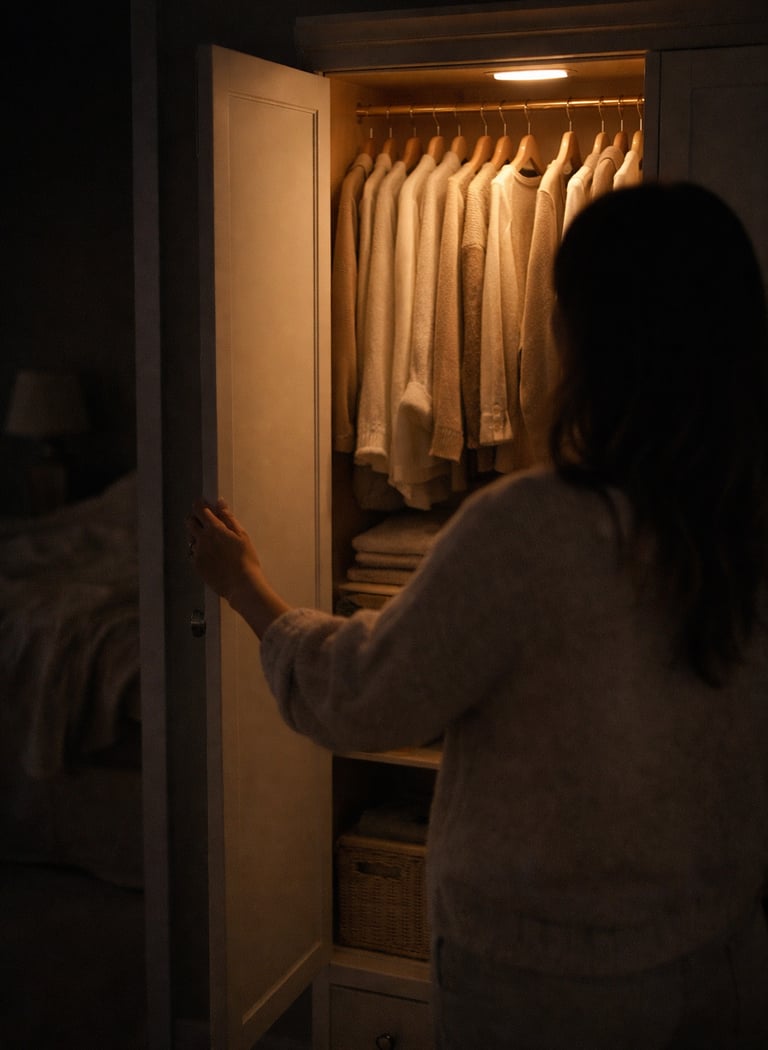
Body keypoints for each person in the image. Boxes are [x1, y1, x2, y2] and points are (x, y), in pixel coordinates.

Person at [187, 182, 768, 1049]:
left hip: (543, 982)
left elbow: (367, 697)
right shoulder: (745, 512)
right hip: (721, 956)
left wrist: (245, 587)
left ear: (581, 337)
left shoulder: (534, 526)